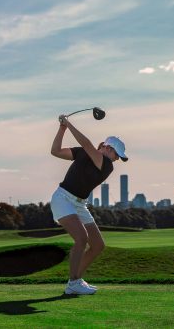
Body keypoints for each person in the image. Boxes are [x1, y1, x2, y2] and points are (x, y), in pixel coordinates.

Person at [50, 115, 128, 295]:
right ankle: (73, 283)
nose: (116, 159)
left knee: (98, 245)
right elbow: (55, 151)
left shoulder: (106, 164)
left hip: (79, 204)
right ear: (107, 148)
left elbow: (87, 144)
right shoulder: (86, 153)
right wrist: (62, 129)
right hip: (63, 199)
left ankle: (76, 279)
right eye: (117, 154)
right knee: (81, 238)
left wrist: (68, 124)